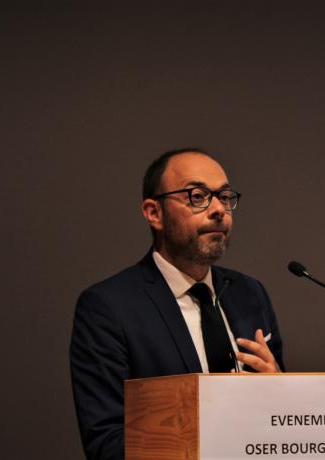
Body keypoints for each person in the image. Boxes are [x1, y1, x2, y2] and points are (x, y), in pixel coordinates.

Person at [70, 148, 284, 460]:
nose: (218, 210)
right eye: (197, 196)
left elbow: (282, 423)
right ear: (153, 213)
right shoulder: (108, 307)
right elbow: (107, 443)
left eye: (224, 196)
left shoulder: (249, 293)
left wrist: (282, 392)